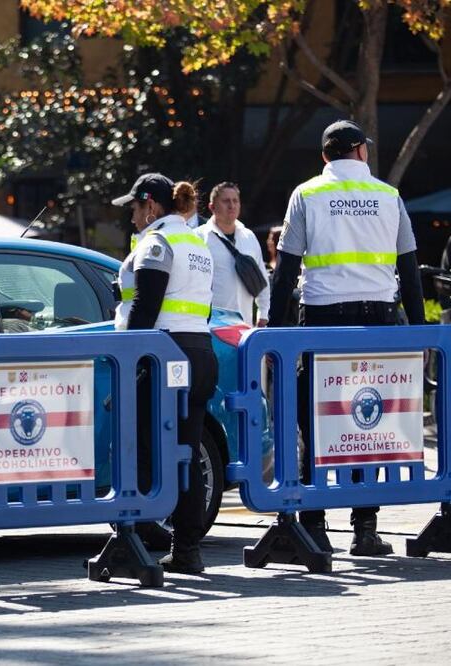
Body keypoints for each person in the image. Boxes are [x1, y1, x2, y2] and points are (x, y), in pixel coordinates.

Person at [268, 119, 425, 556]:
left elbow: (285, 271)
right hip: (379, 320)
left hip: (323, 318)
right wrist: (421, 330)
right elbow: (409, 270)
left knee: (317, 418)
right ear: (360, 151)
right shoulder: (387, 196)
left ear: (325, 156)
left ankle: (314, 527)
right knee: (366, 419)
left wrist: (274, 334)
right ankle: (365, 529)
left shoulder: (308, 194)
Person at [112, 173, 218, 574]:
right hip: (199, 353)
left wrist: (128, 358)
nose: (132, 219)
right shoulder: (196, 241)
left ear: (151, 205)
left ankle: (133, 544)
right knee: (185, 455)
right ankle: (187, 550)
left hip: (161, 357)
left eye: (134, 210)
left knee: (141, 449)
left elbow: (145, 308)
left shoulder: (157, 242)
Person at [195, 182, 270, 326]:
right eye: (226, 201)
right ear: (212, 207)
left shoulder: (249, 236)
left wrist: (263, 313)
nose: (232, 205)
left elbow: (263, 281)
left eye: (235, 201)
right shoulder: (199, 237)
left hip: (244, 326)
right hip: (210, 326)